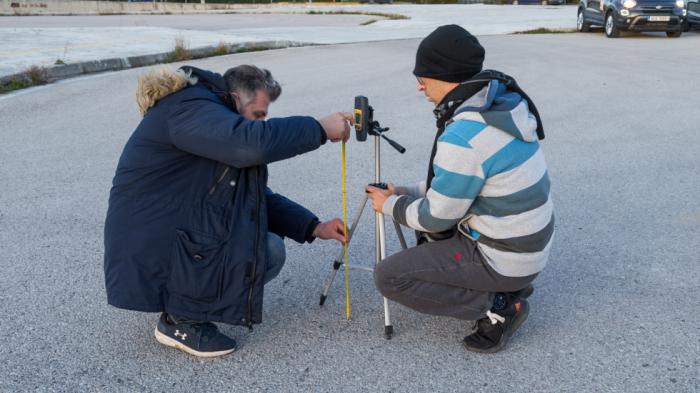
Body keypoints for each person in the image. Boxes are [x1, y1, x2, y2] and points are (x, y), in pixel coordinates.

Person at [104, 64, 352, 357]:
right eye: (257, 115)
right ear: (235, 98)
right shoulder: (189, 109)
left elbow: (250, 198)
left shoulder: (210, 118)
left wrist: (313, 226)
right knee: (264, 250)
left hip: (170, 230)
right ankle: (180, 319)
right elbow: (251, 144)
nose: (259, 124)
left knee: (266, 247)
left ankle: (185, 306)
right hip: (149, 241)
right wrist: (320, 128)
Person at [366, 25, 553, 353]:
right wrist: (406, 190)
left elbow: (436, 217)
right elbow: (465, 182)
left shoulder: (464, 135)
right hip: (527, 249)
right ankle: (508, 288)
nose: (419, 86)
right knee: (430, 238)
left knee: (389, 276)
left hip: (503, 257)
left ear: (444, 75)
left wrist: (389, 205)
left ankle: (498, 307)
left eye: (422, 76)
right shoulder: (501, 107)